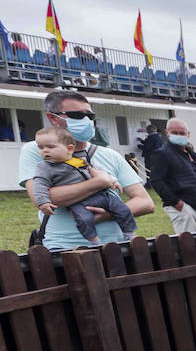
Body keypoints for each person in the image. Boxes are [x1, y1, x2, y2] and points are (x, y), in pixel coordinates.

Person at [18, 90, 153, 251]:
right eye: (76, 115)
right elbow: (43, 199)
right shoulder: (39, 150)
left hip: (117, 247)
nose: (86, 120)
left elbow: (145, 202)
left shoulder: (109, 155)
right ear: (53, 118)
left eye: (90, 116)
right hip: (65, 249)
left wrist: (109, 214)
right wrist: (99, 182)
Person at [29, 127, 139, 244]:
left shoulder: (76, 160)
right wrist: (43, 202)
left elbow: (96, 170)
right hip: (77, 202)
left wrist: (113, 180)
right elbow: (40, 184)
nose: (45, 151)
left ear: (70, 149)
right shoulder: (44, 167)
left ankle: (129, 232)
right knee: (84, 219)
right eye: (41, 148)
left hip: (101, 195)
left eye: (50, 147)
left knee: (122, 208)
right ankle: (93, 240)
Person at [145, 118, 196, 234]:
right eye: (175, 133)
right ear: (167, 132)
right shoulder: (162, 153)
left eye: (182, 133)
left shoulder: (190, 154)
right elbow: (156, 181)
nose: (179, 135)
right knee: (188, 245)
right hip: (183, 206)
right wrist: (176, 203)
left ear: (188, 134)